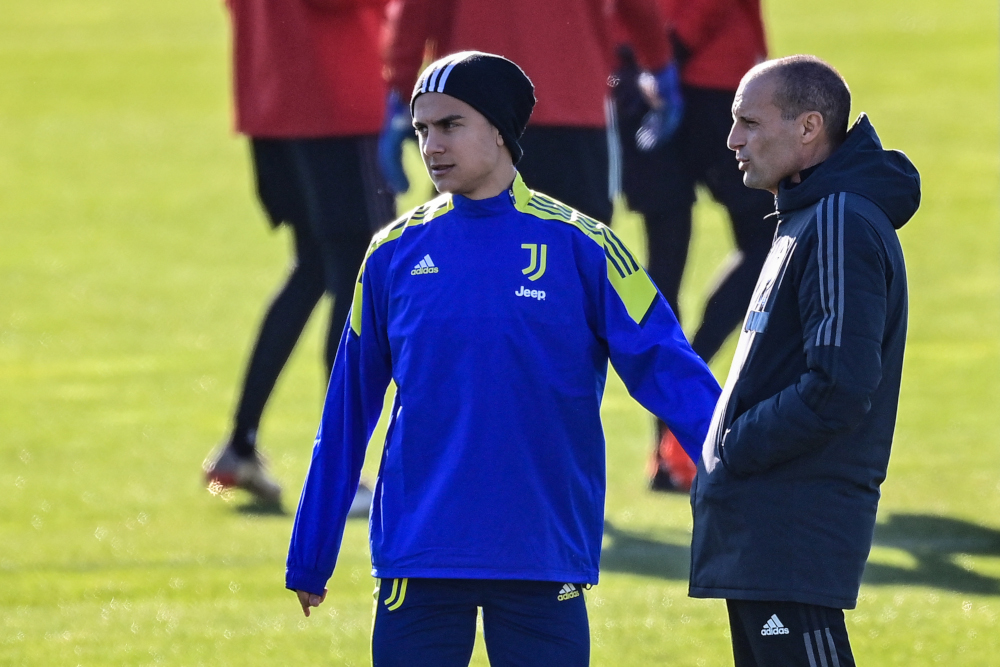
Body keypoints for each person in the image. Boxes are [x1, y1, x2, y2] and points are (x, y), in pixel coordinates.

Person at [286, 52, 721, 666]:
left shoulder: (585, 246)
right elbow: (348, 411)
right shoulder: (391, 254)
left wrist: (746, 476)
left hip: (541, 551)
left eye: (450, 125)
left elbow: (671, 371)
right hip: (422, 551)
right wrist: (312, 548)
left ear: (499, 130)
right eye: (421, 129)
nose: (430, 146)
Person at [690, 55, 920, 666]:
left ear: (809, 127)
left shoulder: (840, 218)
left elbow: (840, 385)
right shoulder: (805, 214)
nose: (733, 139)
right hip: (765, 537)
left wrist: (735, 446)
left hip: (791, 533)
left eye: (749, 122)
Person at [202, 0, 395, 505]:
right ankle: (342, 475)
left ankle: (241, 442)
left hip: (273, 98)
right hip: (331, 102)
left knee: (313, 268)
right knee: (357, 278)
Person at [610, 0, 776, 492]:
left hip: (638, 72)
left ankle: (667, 447)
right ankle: (687, 391)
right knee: (766, 242)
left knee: (665, 261)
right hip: (706, 82)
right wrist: (670, 53)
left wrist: (650, 60)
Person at [378, 0, 681, 224]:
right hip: (573, 110)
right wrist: (659, 65)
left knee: (469, 268)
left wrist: (401, 93)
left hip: (478, 112)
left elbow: (415, 14)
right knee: (576, 269)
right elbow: (640, 8)